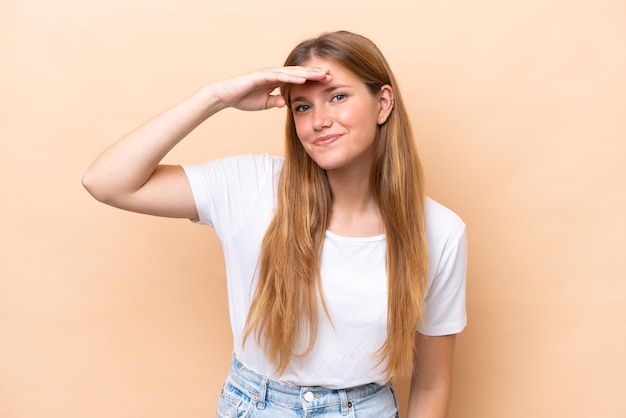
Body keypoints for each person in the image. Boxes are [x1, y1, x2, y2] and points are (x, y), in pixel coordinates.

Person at [83, 30, 467, 418]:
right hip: (255, 406)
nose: (319, 121)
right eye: (302, 107)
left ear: (383, 103)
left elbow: (433, 383)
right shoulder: (251, 186)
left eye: (337, 97)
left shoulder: (439, 232)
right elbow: (106, 182)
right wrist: (215, 98)